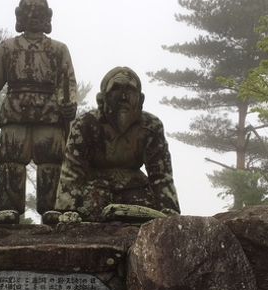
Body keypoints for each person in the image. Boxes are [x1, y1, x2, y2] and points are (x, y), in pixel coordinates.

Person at [0, 0, 77, 224]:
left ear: (47, 17)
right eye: (28, 10)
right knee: (10, 159)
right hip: (15, 109)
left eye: (38, 11)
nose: (33, 15)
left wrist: (68, 103)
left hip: (49, 112)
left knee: (51, 160)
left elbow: (67, 81)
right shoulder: (8, 47)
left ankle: (52, 207)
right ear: (20, 16)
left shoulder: (58, 49)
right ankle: (8, 208)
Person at [55, 66, 180, 221]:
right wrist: (67, 210)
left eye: (130, 90)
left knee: (147, 213)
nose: (123, 97)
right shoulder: (87, 124)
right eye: (116, 89)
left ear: (140, 100)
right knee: (91, 211)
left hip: (136, 189)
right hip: (96, 189)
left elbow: (160, 175)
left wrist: (169, 211)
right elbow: (72, 172)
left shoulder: (151, 127)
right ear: (101, 99)